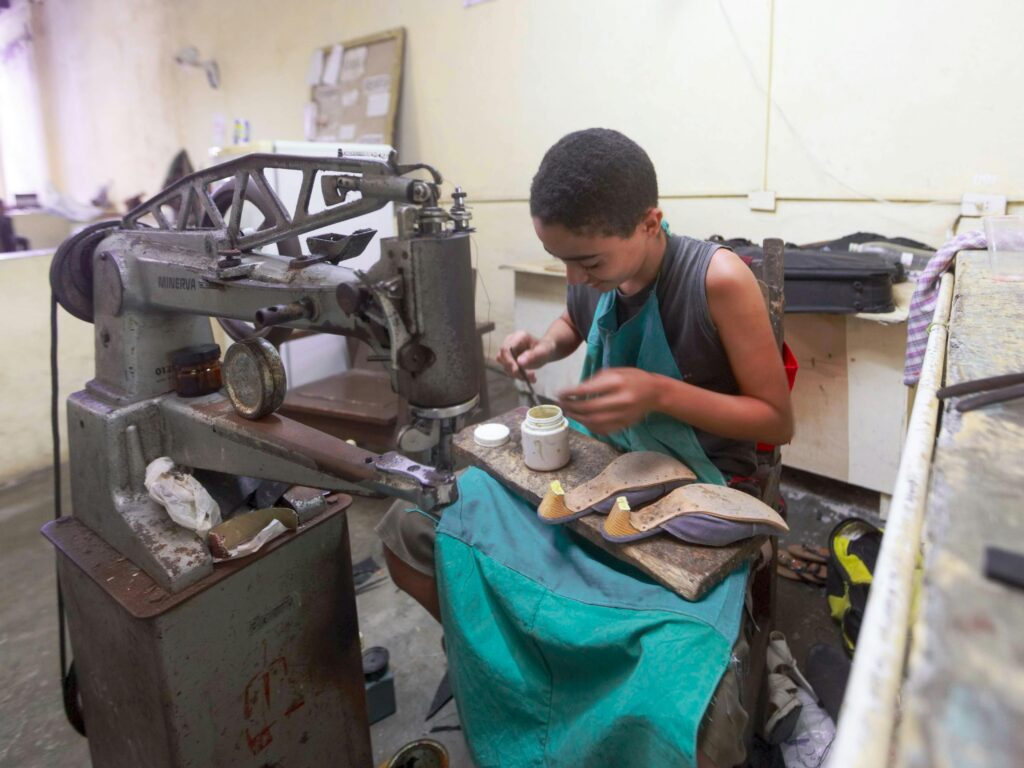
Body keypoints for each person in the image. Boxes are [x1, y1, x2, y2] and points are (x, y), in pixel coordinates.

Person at [377, 128, 794, 768]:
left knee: (677, 697)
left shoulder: (717, 281)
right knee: (411, 526)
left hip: (691, 492)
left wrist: (659, 393)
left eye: (589, 263)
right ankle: (515, 673)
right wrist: (543, 344)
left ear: (650, 223)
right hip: (600, 474)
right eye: (560, 259)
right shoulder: (592, 270)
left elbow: (775, 419)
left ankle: (562, 693)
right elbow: (575, 320)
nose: (576, 277)